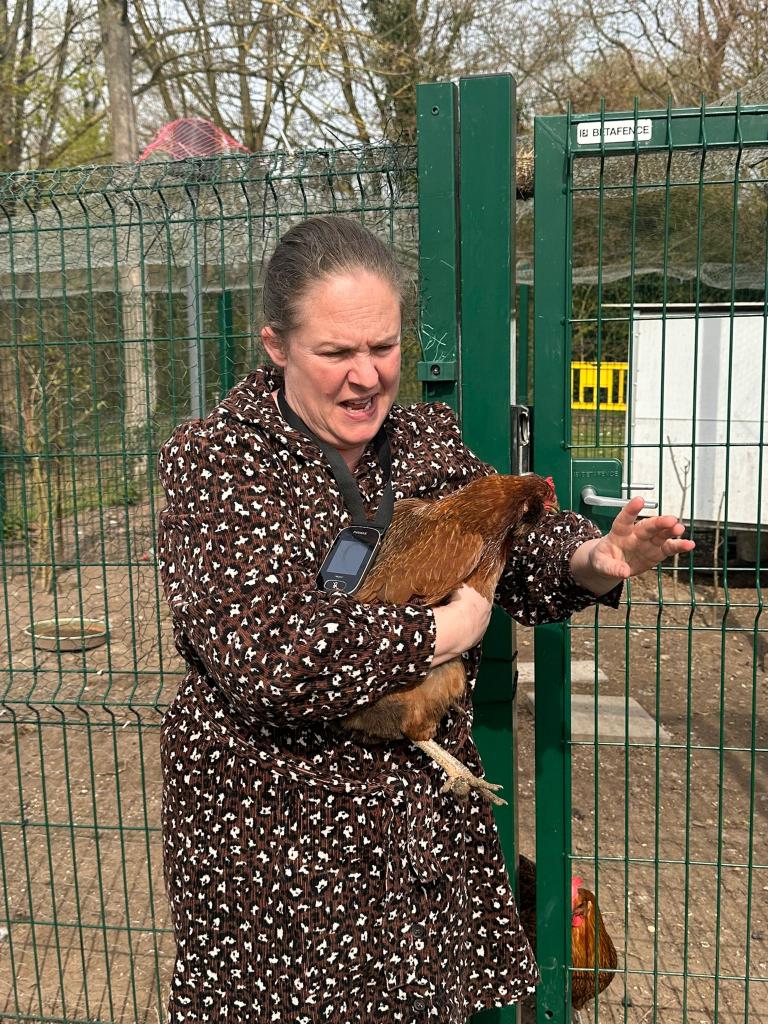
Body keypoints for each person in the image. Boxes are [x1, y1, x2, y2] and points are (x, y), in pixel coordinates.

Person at [156, 216, 693, 1023]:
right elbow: (267, 655)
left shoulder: (421, 443)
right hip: (275, 839)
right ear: (276, 345)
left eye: (384, 347)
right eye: (336, 352)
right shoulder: (218, 461)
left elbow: (512, 539)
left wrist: (595, 558)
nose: (366, 376)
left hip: (412, 834)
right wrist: (447, 632)